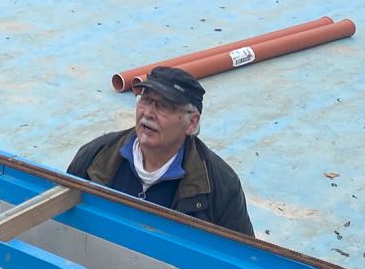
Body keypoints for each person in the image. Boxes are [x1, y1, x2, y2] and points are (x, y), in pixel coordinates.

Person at [67, 65, 253, 235]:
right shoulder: (95, 156)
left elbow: (241, 256)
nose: (148, 113)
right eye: (146, 100)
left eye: (163, 106)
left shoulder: (221, 185)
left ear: (191, 122)